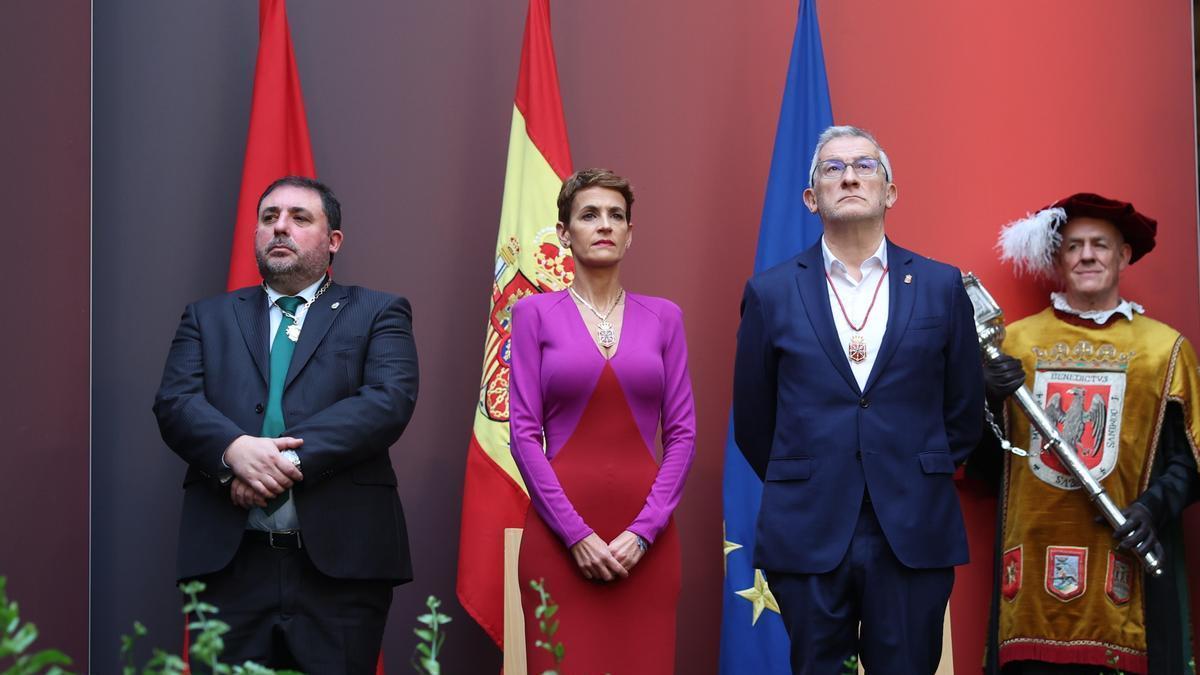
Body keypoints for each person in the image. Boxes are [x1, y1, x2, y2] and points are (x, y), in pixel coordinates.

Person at [732, 125, 984, 674]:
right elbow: (753, 422)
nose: (849, 176)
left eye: (865, 166)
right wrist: (811, 472)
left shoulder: (942, 286)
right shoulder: (770, 292)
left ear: (890, 191)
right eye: (833, 168)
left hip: (913, 527)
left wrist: (915, 468)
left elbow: (964, 411)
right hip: (809, 527)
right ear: (811, 197)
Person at [153, 176, 419, 673]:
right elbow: (175, 402)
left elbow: (388, 401)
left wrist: (279, 463)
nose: (281, 228)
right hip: (231, 565)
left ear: (333, 240)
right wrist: (234, 453)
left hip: (341, 567)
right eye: (270, 217)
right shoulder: (206, 318)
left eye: (299, 218)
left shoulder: (378, 311)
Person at [977, 193, 1200, 674]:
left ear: (1123, 256)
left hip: (1124, 577)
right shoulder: (1015, 343)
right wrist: (987, 398)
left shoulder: (1165, 351)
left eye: (1100, 244)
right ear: (1058, 259)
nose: (1087, 255)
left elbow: (1191, 465)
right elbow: (982, 464)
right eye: (1074, 245)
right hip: (1029, 587)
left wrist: (1152, 507)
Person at [508, 168, 696, 674]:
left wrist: (643, 532)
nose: (605, 225)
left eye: (617, 216)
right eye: (589, 215)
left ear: (631, 234)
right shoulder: (533, 315)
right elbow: (522, 436)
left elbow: (682, 435)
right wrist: (576, 535)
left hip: (649, 546)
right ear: (565, 233)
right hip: (559, 541)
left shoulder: (665, 317)